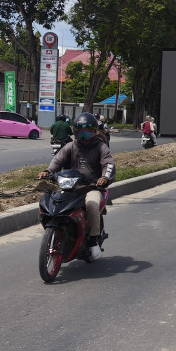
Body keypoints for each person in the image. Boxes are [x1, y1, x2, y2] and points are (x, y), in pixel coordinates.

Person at [39, 112, 115, 262]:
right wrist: (48, 171)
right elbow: (57, 161)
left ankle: (93, 240)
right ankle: (56, 230)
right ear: (75, 133)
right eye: (80, 132)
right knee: (49, 201)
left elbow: (109, 164)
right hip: (69, 186)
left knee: (91, 205)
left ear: (94, 132)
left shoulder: (101, 147)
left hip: (92, 187)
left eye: (87, 132)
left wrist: (104, 178)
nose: (83, 136)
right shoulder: (70, 146)